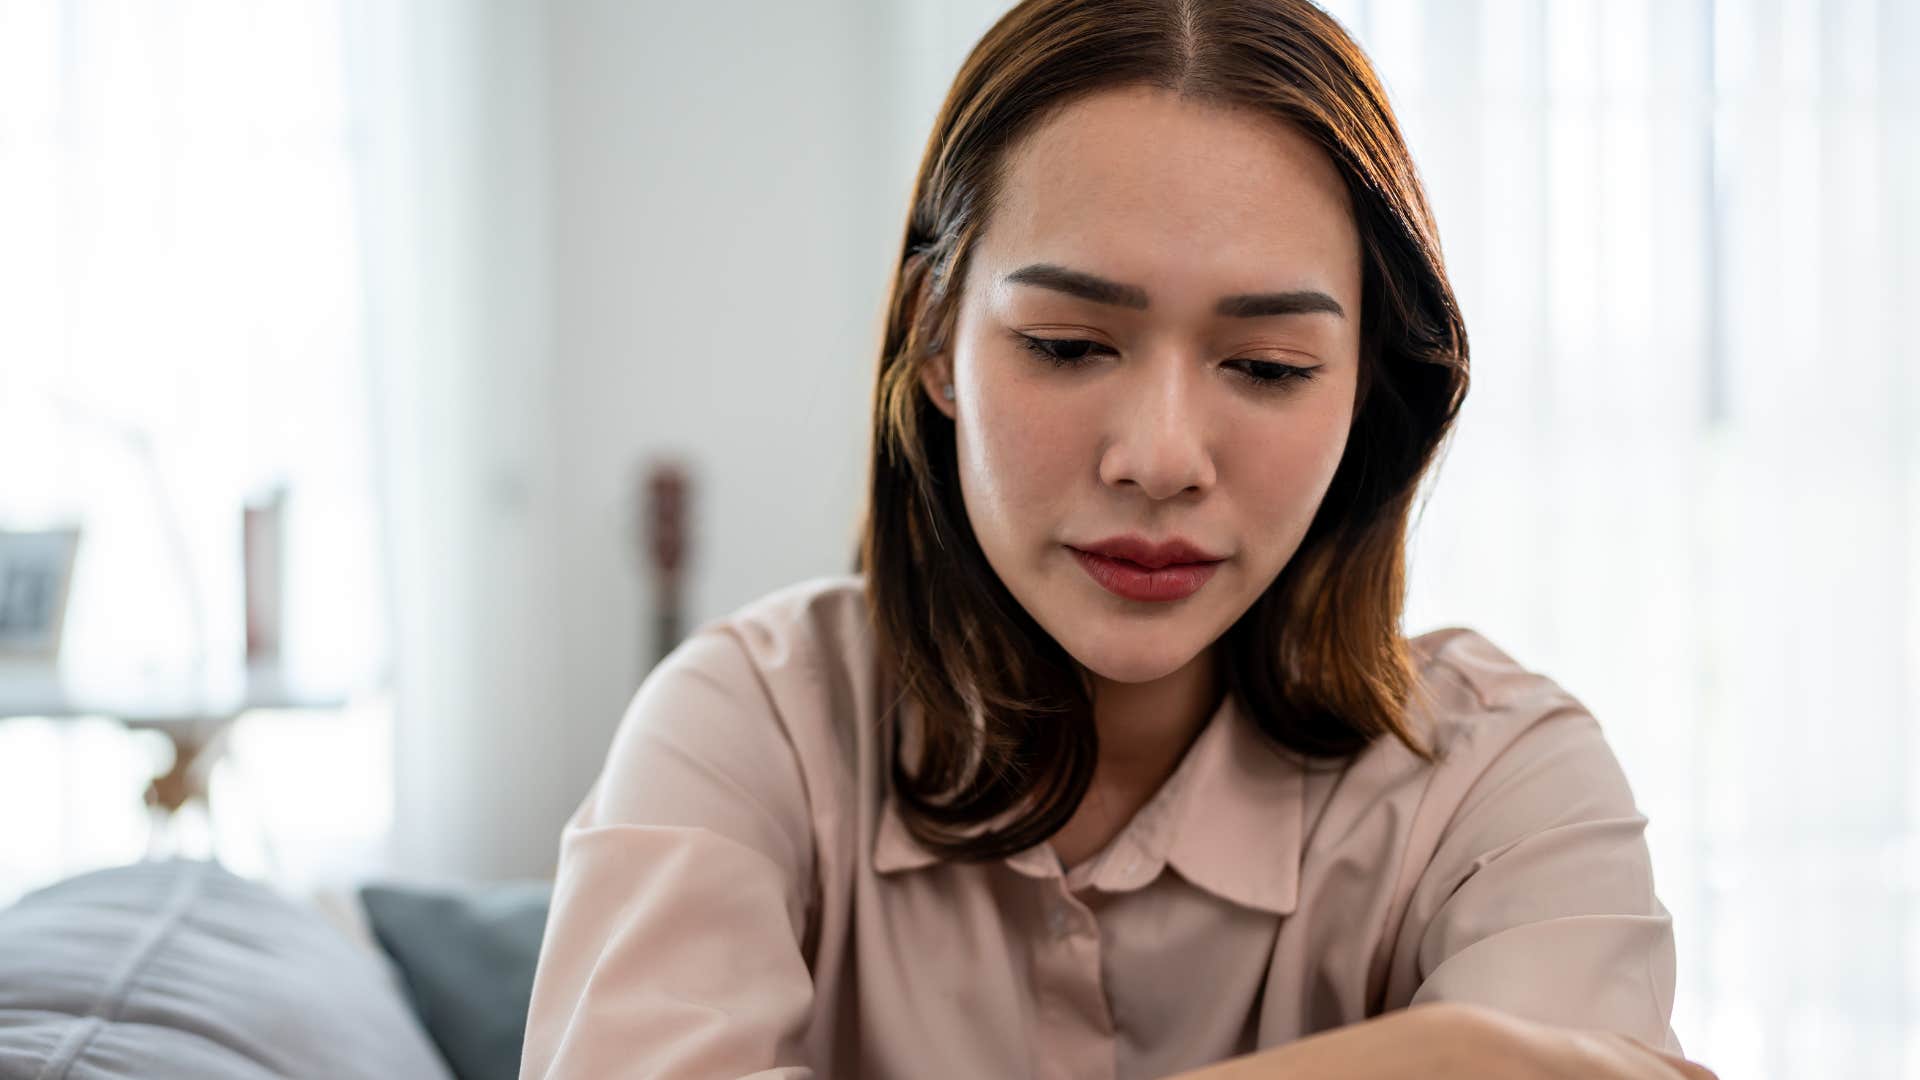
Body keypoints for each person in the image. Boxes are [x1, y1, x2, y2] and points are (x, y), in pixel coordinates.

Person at [520, 1, 1718, 1077]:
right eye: (1068, 345)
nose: (1160, 458)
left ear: (1366, 392)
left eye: (1266, 366)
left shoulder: (1501, 781)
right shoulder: (750, 728)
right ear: (936, 342)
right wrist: (1438, 1062)